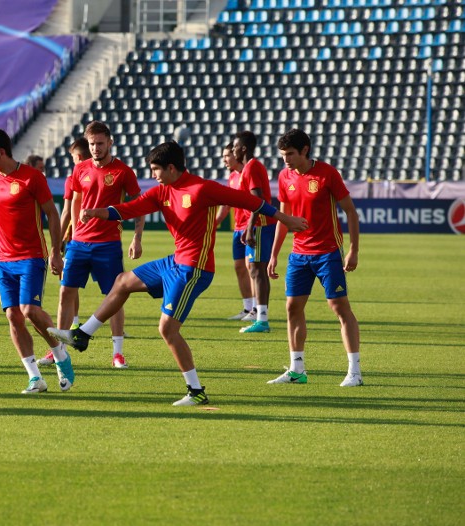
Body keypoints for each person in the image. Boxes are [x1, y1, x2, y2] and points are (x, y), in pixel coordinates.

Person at [47, 141, 307, 406]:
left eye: (156, 170)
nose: (153, 175)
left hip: (194, 268)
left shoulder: (202, 188)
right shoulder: (162, 191)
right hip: (174, 262)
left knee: (167, 329)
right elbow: (129, 208)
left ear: (171, 168)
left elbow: (251, 201)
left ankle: (196, 392)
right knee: (122, 281)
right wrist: (96, 213)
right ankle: (82, 335)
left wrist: (285, 219)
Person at [0, 127, 75, 394]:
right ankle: (35, 378)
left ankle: (60, 355)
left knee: (30, 310)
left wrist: (55, 251)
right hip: (4, 260)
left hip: (31, 256)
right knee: (12, 316)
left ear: (1, 151)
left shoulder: (32, 178)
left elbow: (52, 215)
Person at [268, 128, 362, 387]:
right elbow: (284, 218)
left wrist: (353, 249)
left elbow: (351, 212)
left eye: (290, 154)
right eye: (282, 155)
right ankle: (297, 370)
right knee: (292, 308)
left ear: (305, 151)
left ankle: (355, 371)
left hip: (327, 252)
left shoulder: (327, 173)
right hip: (299, 254)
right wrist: (274, 254)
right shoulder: (284, 176)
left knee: (340, 308)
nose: (285, 159)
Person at [55, 121, 143, 369]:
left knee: (114, 296)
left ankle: (117, 353)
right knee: (65, 292)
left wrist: (137, 236)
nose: (95, 148)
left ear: (110, 143)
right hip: (79, 244)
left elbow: (139, 206)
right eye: (92, 144)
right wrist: (70, 235)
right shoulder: (79, 169)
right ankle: (58, 350)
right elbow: (74, 202)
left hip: (108, 244)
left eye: (100, 143)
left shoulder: (123, 172)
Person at [37, 137, 88, 366]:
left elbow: (66, 211)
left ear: (79, 157)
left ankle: (61, 346)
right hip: (86, 239)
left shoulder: (75, 177)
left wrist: (56, 245)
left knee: (67, 288)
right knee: (71, 288)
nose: (74, 162)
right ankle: (73, 328)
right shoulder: (81, 177)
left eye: (74, 158)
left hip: (78, 240)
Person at [232, 130, 275, 333]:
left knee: (257, 271)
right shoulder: (251, 167)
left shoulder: (251, 168)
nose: (233, 151)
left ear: (244, 148)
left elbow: (258, 200)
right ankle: (261, 317)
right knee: (257, 271)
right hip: (260, 223)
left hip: (261, 224)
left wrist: (249, 227)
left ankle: (262, 320)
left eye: (235, 147)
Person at [215, 142, 255, 321]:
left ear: (236, 154)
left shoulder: (248, 173)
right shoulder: (232, 177)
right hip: (237, 228)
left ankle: (257, 309)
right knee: (239, 268)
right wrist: (215, 222)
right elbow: (226, 203)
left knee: (251, 267)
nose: (224, 159)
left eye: (227, 155)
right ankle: (247, 308)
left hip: (250, 227)